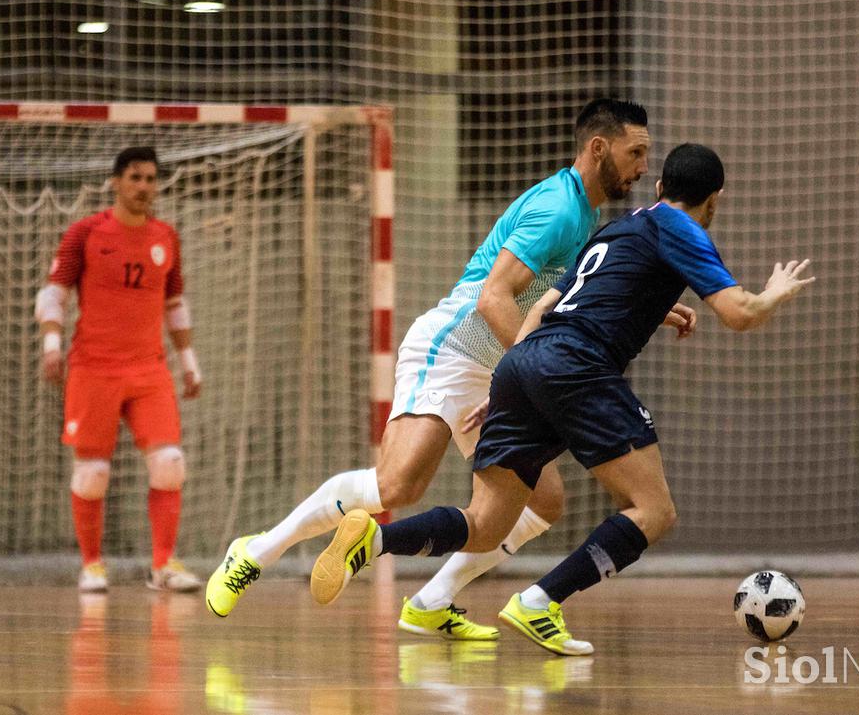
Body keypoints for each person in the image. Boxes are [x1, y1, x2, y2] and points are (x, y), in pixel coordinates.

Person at [309, 143, 816, 655]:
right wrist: (776, 290)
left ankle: (372, 540)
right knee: (653, 510)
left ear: (660, 188)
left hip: (527, 360)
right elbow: (740, 312)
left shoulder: (620, 227)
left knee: (485, 527)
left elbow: (549, 300)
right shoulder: (682, 227)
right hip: (579, 367)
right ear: (715, 200)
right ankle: (539, 601)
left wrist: (513, 382)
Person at [207, 99, 684, 638]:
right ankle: (255, 551)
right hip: (454, 351)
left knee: (543, 500)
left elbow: (558, 296)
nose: (644, 167)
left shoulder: (585, 209)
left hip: (502, 367)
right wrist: (528, 368)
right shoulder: (558, 209)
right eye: (635, 152)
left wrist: (651, 308)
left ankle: (433, 599)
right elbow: (492, 299)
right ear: (599, 148)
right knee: (397, 485)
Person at [35, 146, 203, 593]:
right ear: (115, 182)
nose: (144, 187)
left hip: (149, 370)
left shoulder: (166, 237)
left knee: (170, 463)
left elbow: (175, 304)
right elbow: (53, 295)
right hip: (94, 368)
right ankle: (91, 565)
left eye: (151, 179)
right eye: (135, 178)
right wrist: (52, 344)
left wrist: (189, 363)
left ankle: (164, 564)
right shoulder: (85, 233)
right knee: (92, 473)